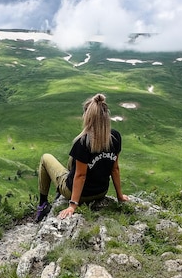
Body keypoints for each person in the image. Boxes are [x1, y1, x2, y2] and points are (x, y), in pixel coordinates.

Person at [35, 93, 129, 222]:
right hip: (101, 192)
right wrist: (120, 197)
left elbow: (81, 176)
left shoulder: (83, 142)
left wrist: (73, 205)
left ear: (88, 117)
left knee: (46, 158)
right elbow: (115, 169)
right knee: (74, 160)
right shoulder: (115, 137)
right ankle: (58, 194)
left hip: (80, 195)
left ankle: (43, 204)